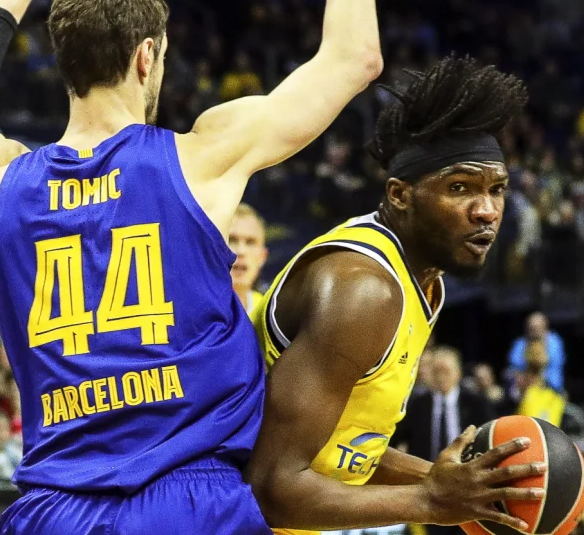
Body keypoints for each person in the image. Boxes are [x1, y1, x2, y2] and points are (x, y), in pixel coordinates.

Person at [0, 0, 381, 531]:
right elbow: (353, 58)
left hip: (51, 508)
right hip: (186, 500)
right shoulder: (198, 159)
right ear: (147, 56)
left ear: (67, 62)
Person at [247, 56, 545, 533]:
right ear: (400, 195)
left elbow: (345, 450)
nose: (487, 210)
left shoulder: (424, 281)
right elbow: (271, 487)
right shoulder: (362, 290)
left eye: (497, 189)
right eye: (460, 187)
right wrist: (426, 501)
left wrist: (458, 487)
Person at [394, 347, 500, 535]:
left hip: (469, 488)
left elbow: (494, 438)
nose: (441, 377)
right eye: (436, 371)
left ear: (458, 374)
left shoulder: (477, 403)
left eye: (446, 371)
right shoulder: (417, 405)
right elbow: (397, 438)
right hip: (428, 486)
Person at [506, 312, 566, 390]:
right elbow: (514, 365)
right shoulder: (520, 343)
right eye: (531, 328)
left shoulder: (554, 341)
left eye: (537, 328)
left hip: (551, 388)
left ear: (545, 327)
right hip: (525, 388)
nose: (534, 331)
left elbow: (549, 361)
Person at [230, 203, 270, 313]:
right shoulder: (187, 308)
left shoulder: (269, 313)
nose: (241, 251)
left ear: (263, 256)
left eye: (250, 242)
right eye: (231, 240)